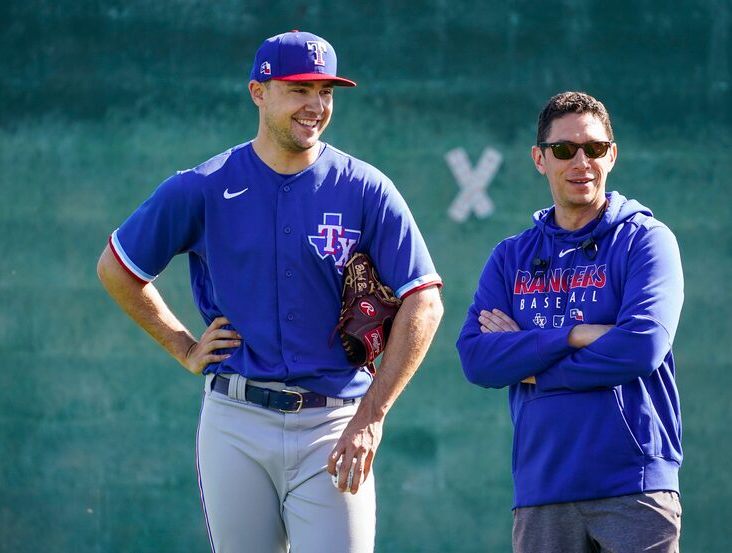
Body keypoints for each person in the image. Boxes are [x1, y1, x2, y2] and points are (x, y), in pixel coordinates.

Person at [97, 30, 443, 553]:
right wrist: (182, 345)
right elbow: (117, 268)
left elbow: (425, 299)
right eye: (299, 89)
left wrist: (371, 416)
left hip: (333, 423)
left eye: (325, 91)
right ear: (258, 92)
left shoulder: (365, 187)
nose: (316, 105)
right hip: (236, 419)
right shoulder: (205, 185)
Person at [457, 91, 684, 553]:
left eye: (594, 148)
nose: (581, 161)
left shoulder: (647, 241)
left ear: (611, 155)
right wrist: (575, 335)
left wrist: (530, 361)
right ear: (540, 159)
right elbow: (477, 359)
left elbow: (641, 347)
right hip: (543, 490)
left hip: (635, 487)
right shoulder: (510, 257)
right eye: (564, 150)